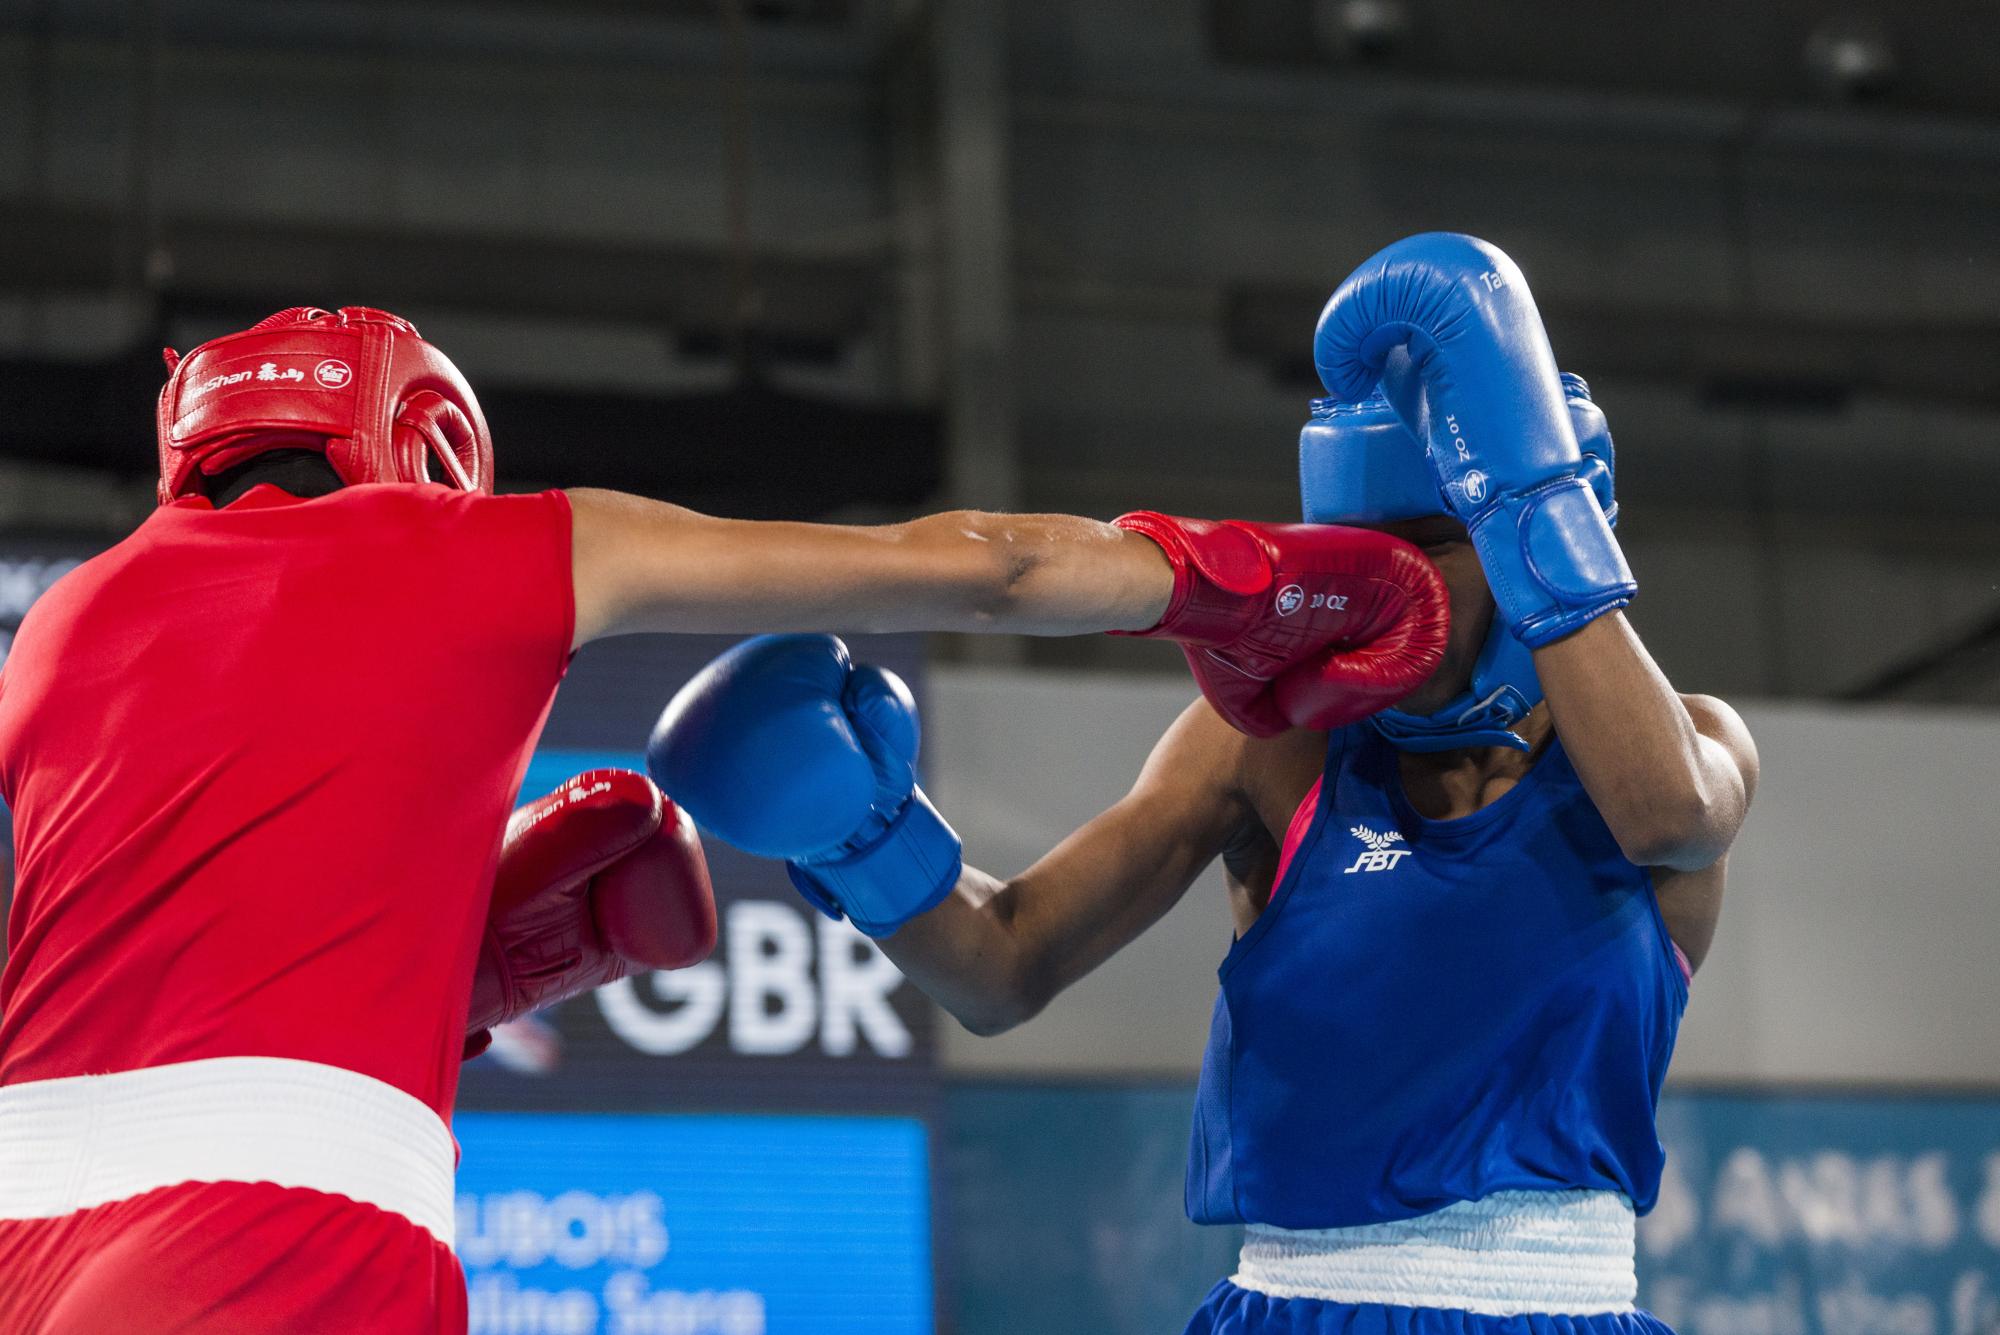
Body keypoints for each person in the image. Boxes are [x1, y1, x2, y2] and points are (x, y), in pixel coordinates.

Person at [0, 304, 1449, 1333]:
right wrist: (1258, 583)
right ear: (422, 437)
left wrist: (457, 981)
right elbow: (978, 568)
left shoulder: (57, 623)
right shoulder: (490, 546)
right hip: (280, 1233)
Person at [651, 235, 1759, 1334]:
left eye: (1436, 540)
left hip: (1558, 1305)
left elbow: (1667, 816)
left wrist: (1520, 502)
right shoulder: (1267, 751)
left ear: (1558, 523)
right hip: (1293, 1305)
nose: (1394, 586)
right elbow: (1002, 965)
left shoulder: (1679, 750)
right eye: (1366, 546)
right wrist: (862, 837)